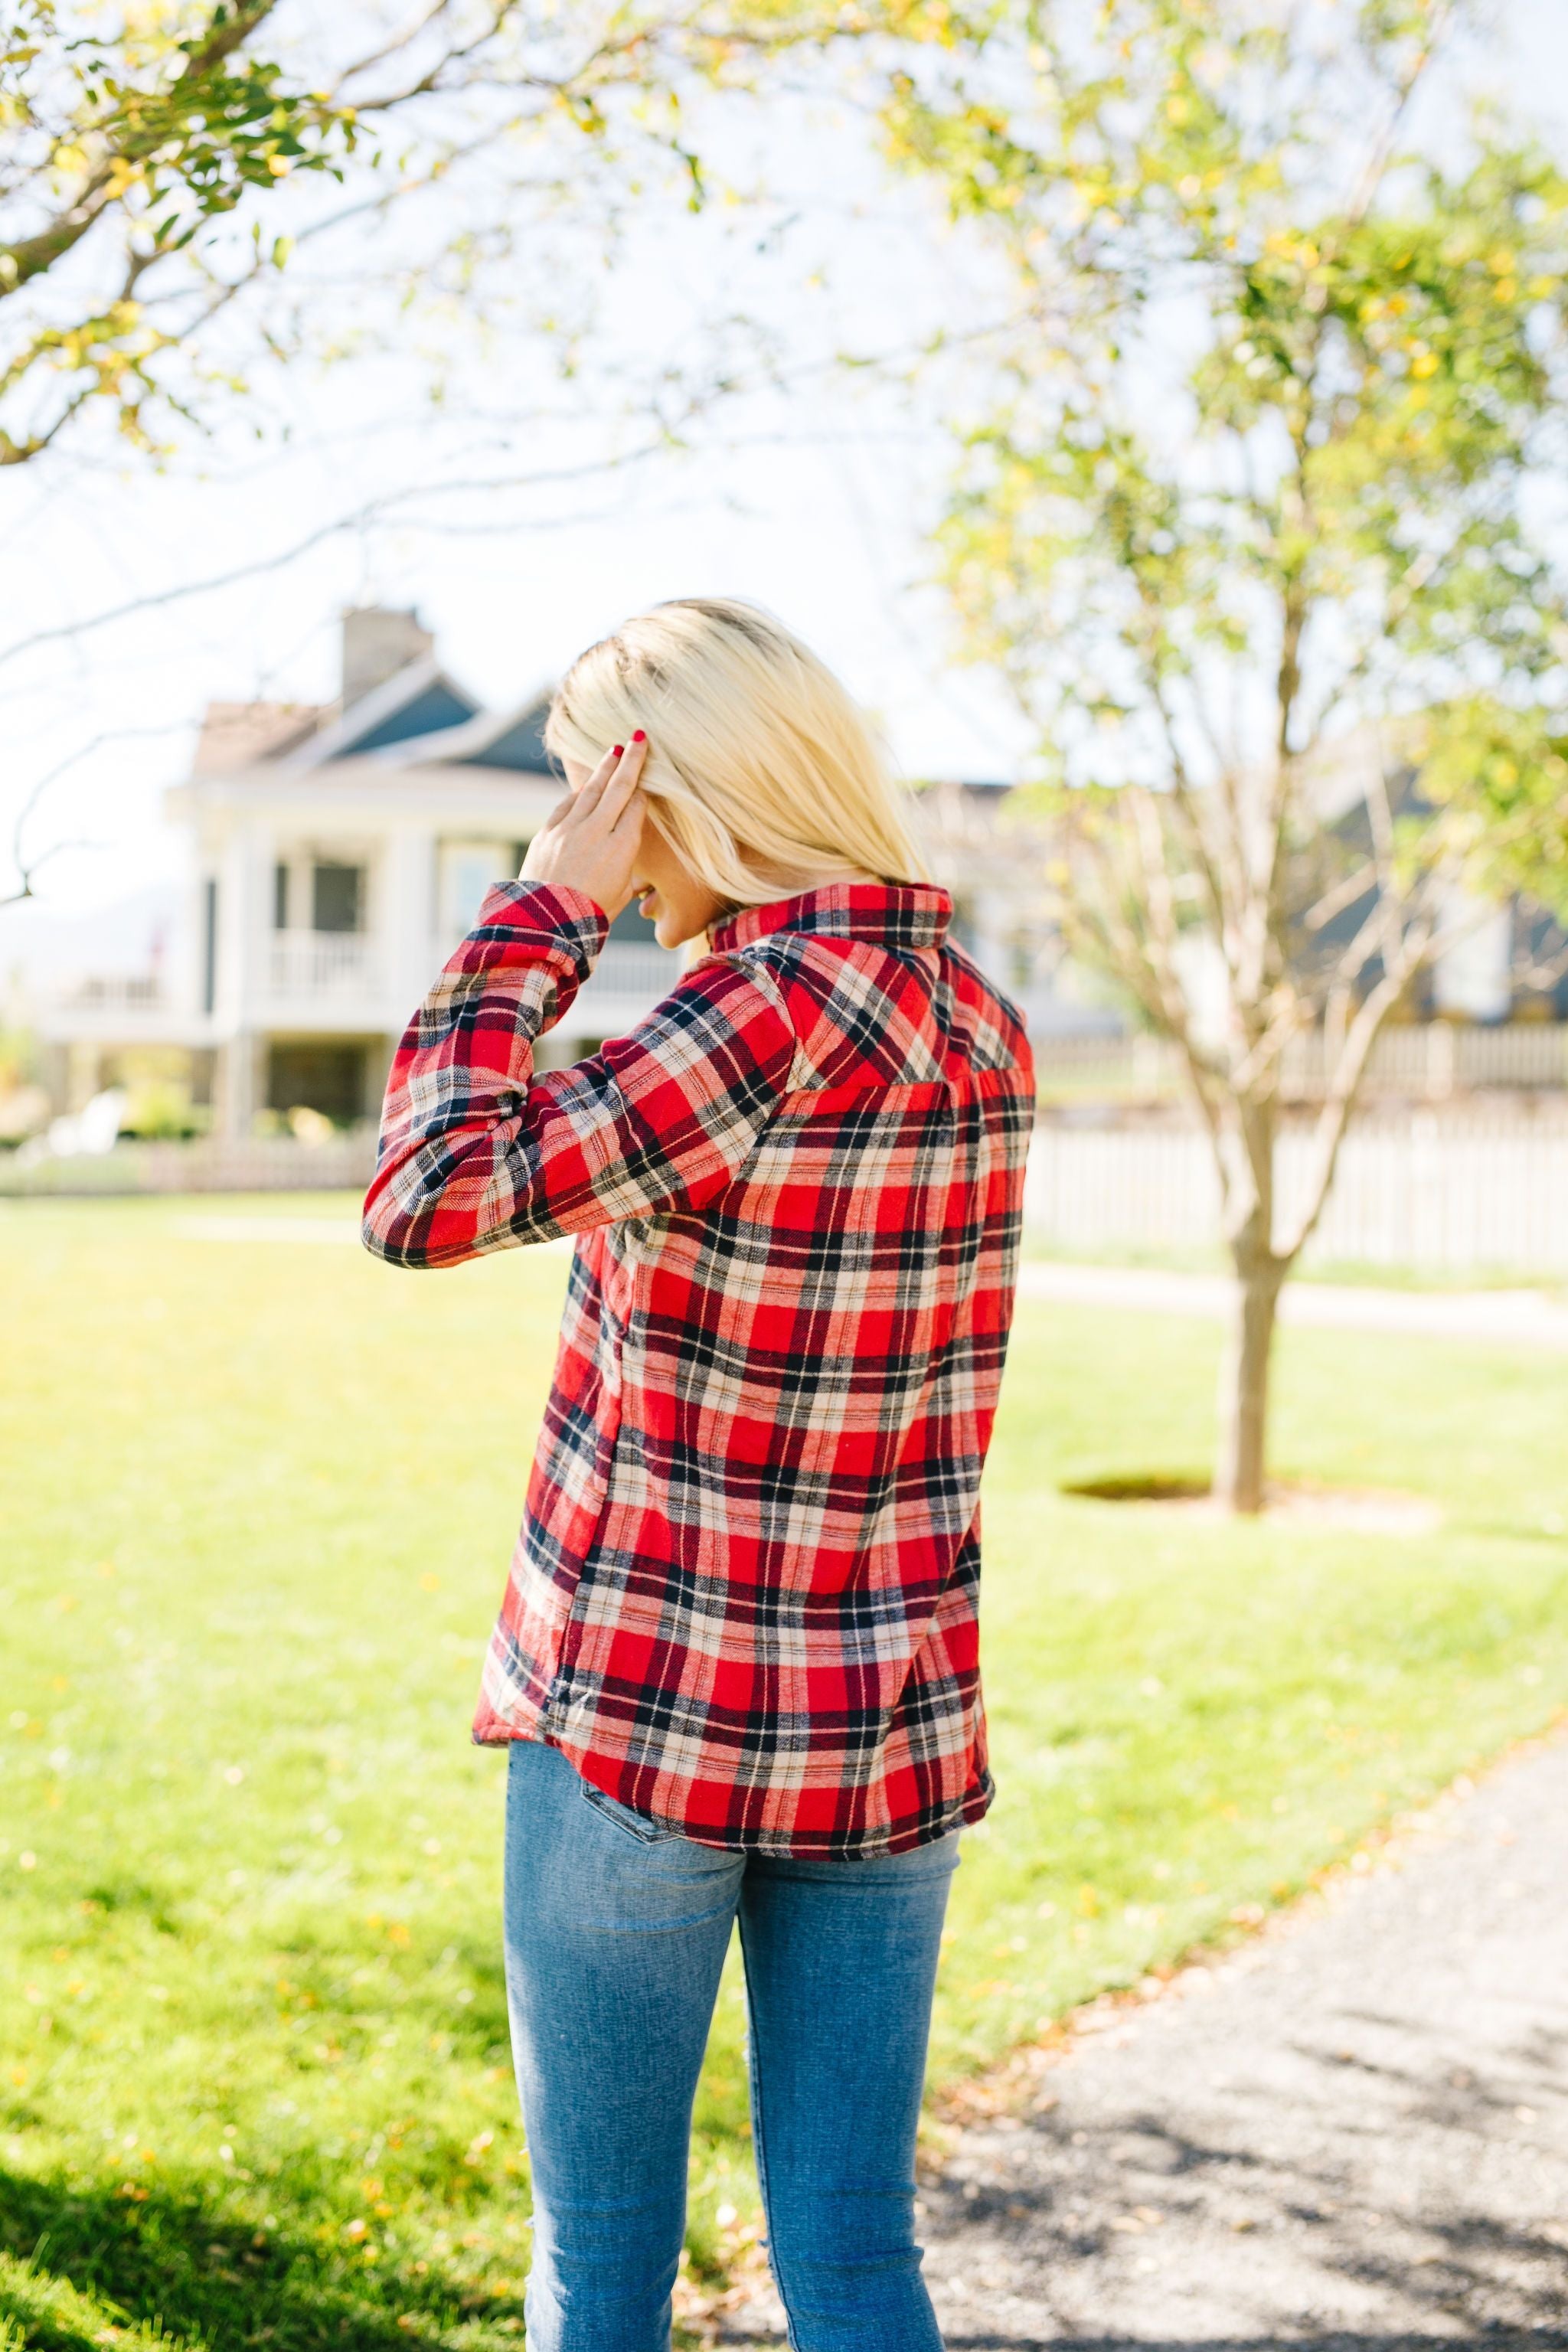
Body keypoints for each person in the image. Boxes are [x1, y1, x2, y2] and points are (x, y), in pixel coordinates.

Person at [362, 597, 1034, 2352]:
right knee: (855, 2247)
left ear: (671, 790)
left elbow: (422, 1195)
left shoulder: (749, 1019)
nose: (582, 831)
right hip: (887, 1724)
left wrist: (542, 916)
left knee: (602, 2263)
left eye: (593, 792)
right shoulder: (978, 1021)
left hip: (647, 1728)